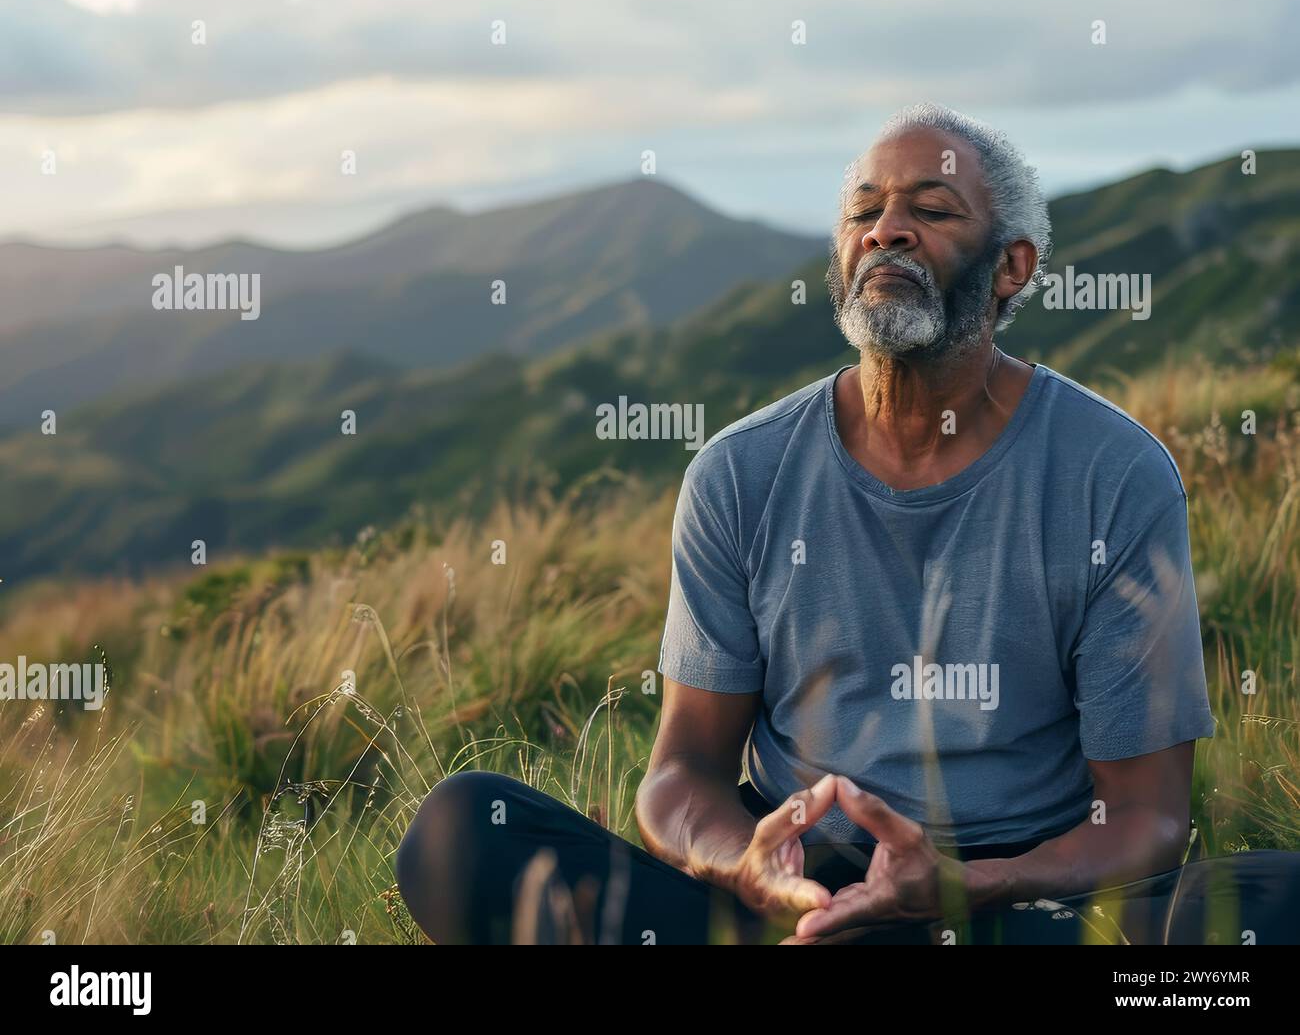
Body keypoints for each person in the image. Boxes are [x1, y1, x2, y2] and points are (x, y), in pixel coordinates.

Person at [395, 102, 1300, 944]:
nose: (886, 229)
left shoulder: (1115, 473)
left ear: (1011, 267)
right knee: (462, 832)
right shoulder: (738, 473)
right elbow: (681, 774)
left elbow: (1147, 817)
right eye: (863, 209)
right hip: (794, 902)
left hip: (1011, 901)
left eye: (932, 210)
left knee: (1274, 902)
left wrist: (964, 886)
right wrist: (745, 867)